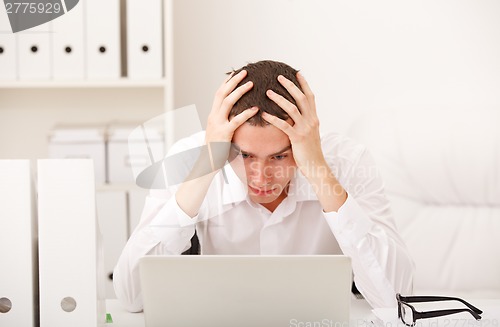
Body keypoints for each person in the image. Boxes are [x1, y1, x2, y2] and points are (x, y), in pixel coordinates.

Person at [113, 60, 415, 312]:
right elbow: (131, 296)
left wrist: (318, 170)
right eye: (245, 155)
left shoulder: (349, 162)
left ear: (303, 142)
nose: (261, 176)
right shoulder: (193, 159)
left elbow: (397, 297)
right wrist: (205, 168)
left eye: (279, 156)